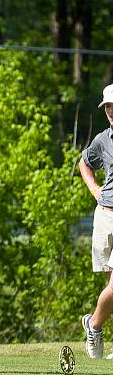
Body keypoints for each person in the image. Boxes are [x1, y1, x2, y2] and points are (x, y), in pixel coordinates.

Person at [80, 83, 113, 360]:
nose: (111, 111)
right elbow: (84, 162)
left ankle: (94, 325)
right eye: (108, 107)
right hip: (105, 215)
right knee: (112, 286)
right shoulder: (103, 139)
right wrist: (93, 188)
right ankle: (95, 326)